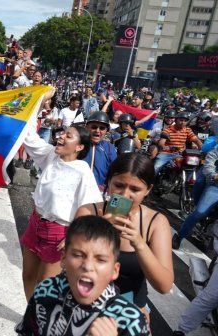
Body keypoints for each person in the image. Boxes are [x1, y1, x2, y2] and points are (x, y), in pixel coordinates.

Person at [20, 97, 102, 301]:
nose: (61, 137)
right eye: (63, 133)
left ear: (79, 147)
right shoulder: (50, 156)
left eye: (69, 136)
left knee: (44, 287)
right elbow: (28, 135)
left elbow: (93, 207)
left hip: (58, 234)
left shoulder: (82, 171)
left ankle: (39, 322)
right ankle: (31, 318)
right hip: (35, 224)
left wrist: (72, 237)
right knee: (28, 276)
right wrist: (37, 102)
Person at [76, 153, 174, 318]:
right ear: (108, 182)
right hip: (85, 306)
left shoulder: (156, 222)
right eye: (119, 185)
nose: (124, 195)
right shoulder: (88, 211)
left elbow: (164, 285)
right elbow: (69, 266)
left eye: (135, 189)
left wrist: (139, 243)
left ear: (148, 190)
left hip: (130, 311)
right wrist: (98, 235)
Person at [18, 216, 150, 336]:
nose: (87, 266)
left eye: (101, 260)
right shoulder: (45, 291)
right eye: (78, 255)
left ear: (114, 271)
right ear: (63, 258)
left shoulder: (131, 321)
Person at [172, 147, 218, 249]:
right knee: (199, 213)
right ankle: (179, 236)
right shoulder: (216, 150)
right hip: (215, 184)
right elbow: (209, 165)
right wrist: (214, 175)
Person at [83, 111, 117, 188]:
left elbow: (114, 172)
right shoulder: (78, 143)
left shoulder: (109, 148)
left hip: (98, 193)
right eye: (94, 127)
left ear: (106, 131)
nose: (97, 131)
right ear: (87, 127)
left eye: (102, 128)